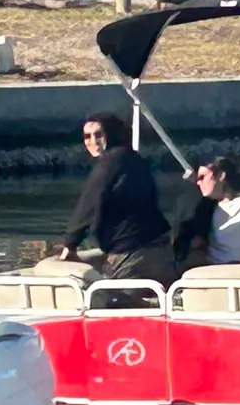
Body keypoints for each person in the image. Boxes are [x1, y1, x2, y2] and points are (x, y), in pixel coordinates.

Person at [58, 112, 175, 281]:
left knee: (113, 301)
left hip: (131, 253)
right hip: (161, 248)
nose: (92, 141)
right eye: (87, 136)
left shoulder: (110, 162)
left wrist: (71, 242)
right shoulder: (135, 159)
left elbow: (89, 202)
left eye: (99, 134)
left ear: (111, 133)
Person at [174, 157, 240, 268]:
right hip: (212, 268)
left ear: (221, 176)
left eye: (202, 177)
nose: (198, 182)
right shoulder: (205, 207)